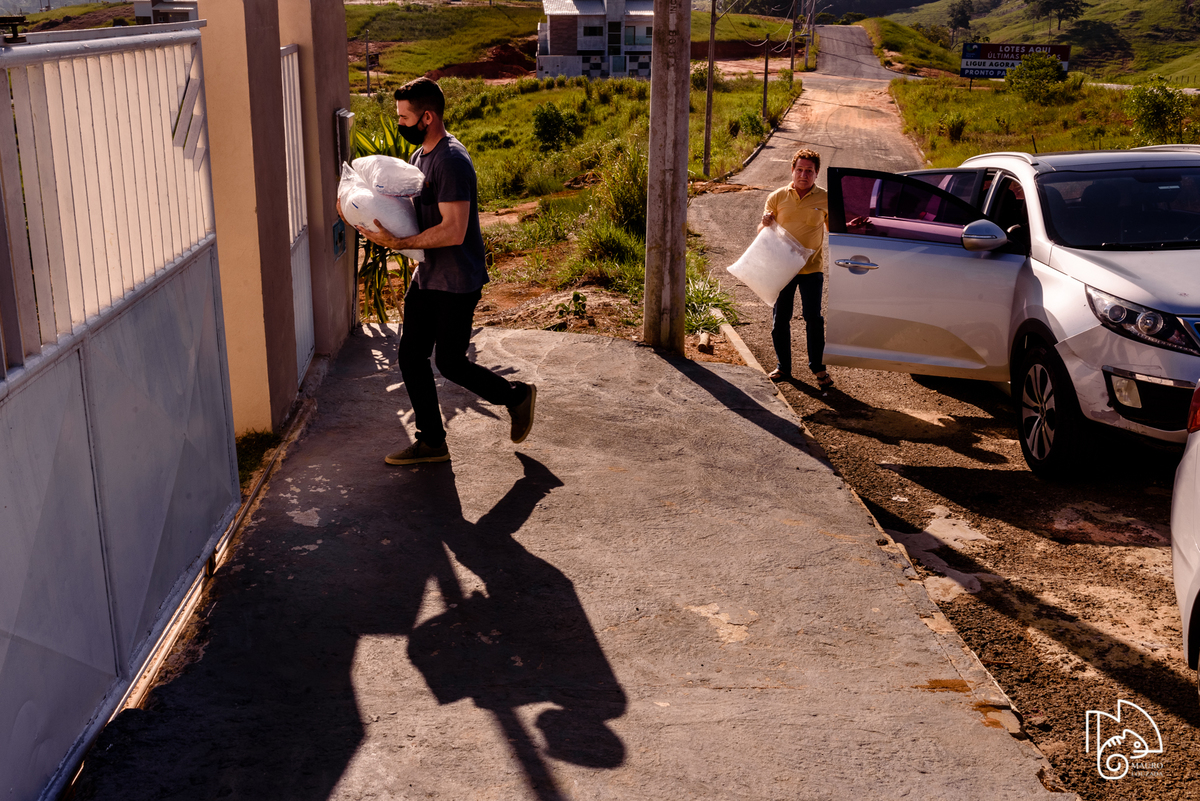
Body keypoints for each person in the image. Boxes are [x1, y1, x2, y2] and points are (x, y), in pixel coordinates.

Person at [345, 77, 536, 465]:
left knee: (449, 362)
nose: (399, 123)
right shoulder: (419, 160)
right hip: (429, 275)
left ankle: (516, 396)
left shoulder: (451, 160)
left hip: (457, 280)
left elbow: (454, 229)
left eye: (403, 117)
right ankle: (432, 441)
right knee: (411, 357)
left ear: (427, 117)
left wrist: (398, 245)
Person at [758, 147, 831, 388]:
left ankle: (818, 368)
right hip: (783, 269)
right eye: (799, 169)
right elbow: (762, 233)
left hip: (812, 269)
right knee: (781, 319)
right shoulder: (777, 197)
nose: (803, 175)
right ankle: (783, 366)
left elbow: (836, 229)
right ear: (792, 170)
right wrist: (765, 223)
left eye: (809, 171)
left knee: (813, 319)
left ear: (816, 173)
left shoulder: (826, 199)